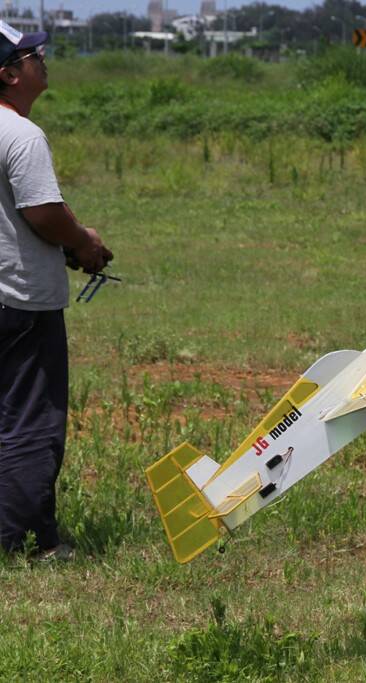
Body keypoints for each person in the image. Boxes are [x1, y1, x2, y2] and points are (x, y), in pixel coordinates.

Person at [0, 22, 113, 560]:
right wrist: (84, 242)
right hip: (19, 301)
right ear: (8, 74)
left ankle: (38, 535)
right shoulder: (22, 136)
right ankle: (14, 543)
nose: (41, 57)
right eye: (29, 54)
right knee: (31, 422)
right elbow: (43, 213)